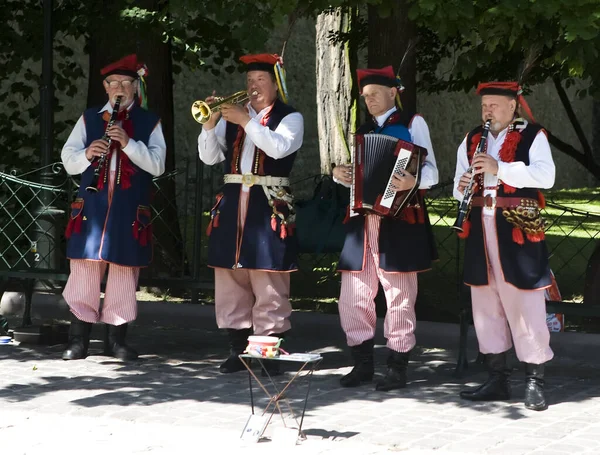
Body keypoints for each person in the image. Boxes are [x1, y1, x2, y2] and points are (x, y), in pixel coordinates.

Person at [332, 66, 439, 391]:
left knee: (400, 296)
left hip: (400, 221)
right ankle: (362, 364)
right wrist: (341, 174)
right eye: (365, 97)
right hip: (363, 223)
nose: (370, 101)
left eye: (375, 94)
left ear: (393, 92)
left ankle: (397, 367)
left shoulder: (412, 123)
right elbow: (360, 174)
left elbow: (432, 171)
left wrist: (414, 180)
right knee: (352, 297)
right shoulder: (363, 129)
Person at [197, 53, 304, 376]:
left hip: (268, 202)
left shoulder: (290, 117)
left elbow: (278, 148)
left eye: (260, 81)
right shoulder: (233, 117)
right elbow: (209, 158)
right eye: (249, 81)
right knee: (230, 276)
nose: (253, 87)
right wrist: (209, 126)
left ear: (275, 85)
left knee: (268, 276)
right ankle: (237, 349)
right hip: (232, 201)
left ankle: (268, 351)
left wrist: (246, 121)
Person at [453, 81, 555, 411]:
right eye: (485, 106)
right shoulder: (471, 139)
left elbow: (546, 177)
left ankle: (534, 381)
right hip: (481, 227)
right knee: (486, 303)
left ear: (513, 106)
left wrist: (501, 168)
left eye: (495, 105)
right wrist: (463, 185)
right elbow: (458, 190)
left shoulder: (532, 134)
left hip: (517, 228)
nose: (488, 111)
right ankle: (497, 379)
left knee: (525, 302)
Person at [60, 54, 166, 361]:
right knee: (85, 268)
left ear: (135, 87)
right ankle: (78, 339)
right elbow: (68, 160)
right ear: (106, 88)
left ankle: (116, 340)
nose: (119, 88)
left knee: (123, 269)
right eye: (113, 83)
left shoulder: (149, 121)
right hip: (92, 207)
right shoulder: (90, 117)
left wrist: (129, 143)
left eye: (126, 83)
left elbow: (157, 165)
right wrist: (88, 154)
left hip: (128, 208)